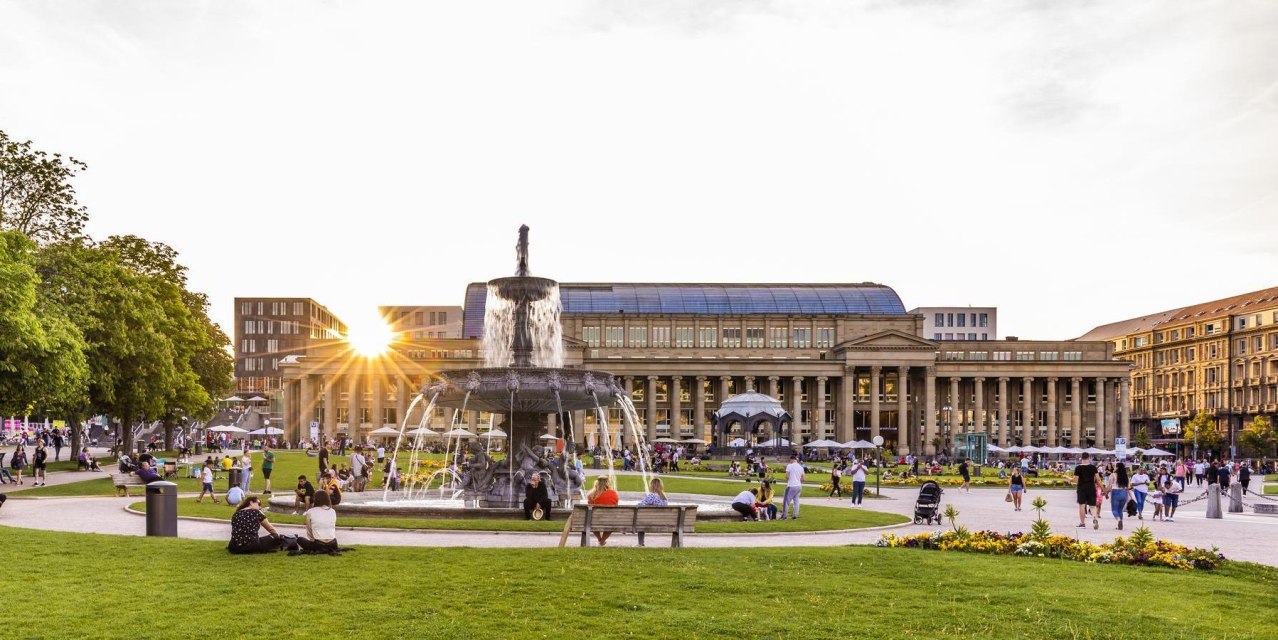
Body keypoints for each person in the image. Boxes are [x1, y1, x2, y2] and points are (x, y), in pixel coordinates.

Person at [296, 489, 339, 554]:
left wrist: (313, 541)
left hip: (318, 545)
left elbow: (309, 530)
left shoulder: (310, 512)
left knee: (299, 539)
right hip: (333, 544)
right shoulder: (333, 511)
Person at [585, 476, 619, 545]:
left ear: (597, 482)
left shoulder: (591, 494)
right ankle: (602, 541)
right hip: (609, 520)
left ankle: (600, 539)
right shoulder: (613, 493)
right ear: (608, 483)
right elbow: (616, 505)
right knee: (611, 525)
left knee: (591, 521)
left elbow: (589, 506)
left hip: (594, 520)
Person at [1073, 453, 1099, 529]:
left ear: (1081, 458)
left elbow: (1075, 480)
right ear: (1089, 458)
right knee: (1092, 506)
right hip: (1091, 487)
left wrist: (1070, 479)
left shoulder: (1078, 468)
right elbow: (1098, 479)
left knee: (1082, 505)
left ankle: (1082, 523)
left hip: (1082, 488)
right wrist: (1103, 489)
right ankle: (1095, 518)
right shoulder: (1093, 467)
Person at [1106, 462, 1131, 531]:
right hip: (1124, 493)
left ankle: (1119, 520)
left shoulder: (1113, 475)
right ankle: (1120, 526)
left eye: (1115, 466)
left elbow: (1110, 486)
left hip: (1115, 493)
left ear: (1117, 467)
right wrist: (1131, 497)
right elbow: (1128, 487)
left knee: (1114, 509)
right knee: (1120, 510)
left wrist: (1105, 492)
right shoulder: (1126, 476)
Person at [781, 454, 804, 520]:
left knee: (786, 501)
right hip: (798, 486)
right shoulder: (800, 467)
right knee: (796, 501)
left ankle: (784, 515)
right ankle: (795, 515)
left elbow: (787, 477)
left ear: (791, 459)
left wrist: (789, 478)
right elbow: (803, 478)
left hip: (791, 485)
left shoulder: (789, 466)